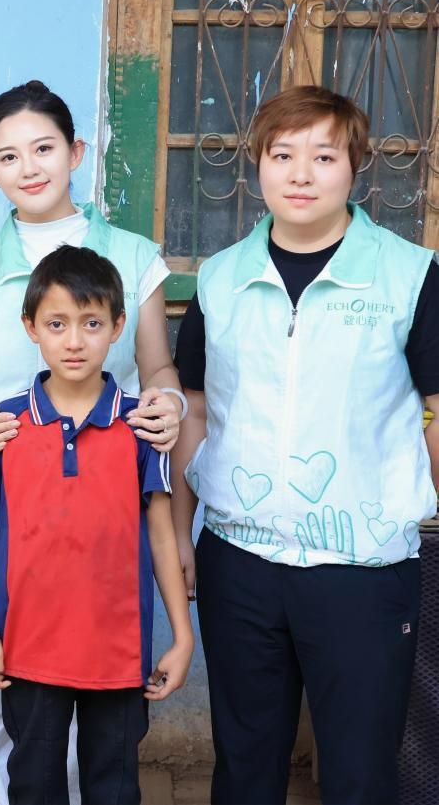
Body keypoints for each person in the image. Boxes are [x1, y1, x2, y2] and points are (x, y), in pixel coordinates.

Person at [170, 86, 439, 804]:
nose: (300, 174)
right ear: (257, 162)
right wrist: (183, 535)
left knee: (360, 773)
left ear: (355, 165)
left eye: (323, 156)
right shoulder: (222, 278)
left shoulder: (408, 276)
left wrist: (421, 513)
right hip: (239, 559)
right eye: (282, 154)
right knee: (245, 767)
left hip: (363, 566)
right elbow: (197, 409)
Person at [0, 81, 185, 805]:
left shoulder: (133, 257)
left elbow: (158, 368)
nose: (30, 166)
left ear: (75, 153)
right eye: (9, 156)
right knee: (2, 682)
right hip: (1, 487)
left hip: (107, 487)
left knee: (99, 684)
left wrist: (167, 404)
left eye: (43, 147)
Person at [0, 245, 192, 804]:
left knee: (114, 788)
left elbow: (161, 533)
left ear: (118, 327)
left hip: (118, 654)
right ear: (30, 327)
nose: (74, 341)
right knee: (33, 785)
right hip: (28, 648)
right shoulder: (8, 424)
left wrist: (182, 635)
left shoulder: (138, 426)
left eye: (91, 323)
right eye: (57, 323)